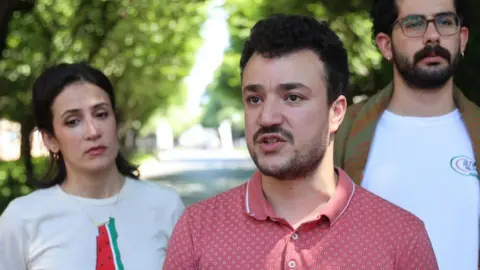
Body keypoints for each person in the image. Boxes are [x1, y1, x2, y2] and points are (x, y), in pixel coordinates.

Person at [163, 14, 438, 270]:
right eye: (255, 99)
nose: (267, 117)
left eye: (292, 97)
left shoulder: (402, 237)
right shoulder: (196, 229)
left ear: (336, 112)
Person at [334, 0, 479, 269]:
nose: (432, 35)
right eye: (414, 24)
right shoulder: (341, 133)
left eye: (445, 22)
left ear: (462, 39)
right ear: (386, 45)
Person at [0, 62, 184, 270]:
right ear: (51, 139)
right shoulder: (22, 219)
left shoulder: (166, 205)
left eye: (101, 114)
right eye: (72, 121)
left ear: (116, 121)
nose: (93, 131)